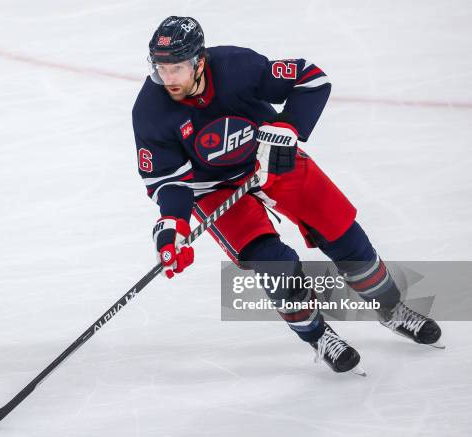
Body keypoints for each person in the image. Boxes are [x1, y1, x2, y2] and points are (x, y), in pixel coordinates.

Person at [132, 16, 443, 374]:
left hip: (272, 159)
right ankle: (318, 335)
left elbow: (312, 79)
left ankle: (391, 308)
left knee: (345, 236)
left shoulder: (237, 67)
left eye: (178, 68)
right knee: (275, 264)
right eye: (161, 68)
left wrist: (286, 127)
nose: (169, 79)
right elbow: (168, 182)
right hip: (213, 189)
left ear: (200, 61)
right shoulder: (151, 111)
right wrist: (172, 227)